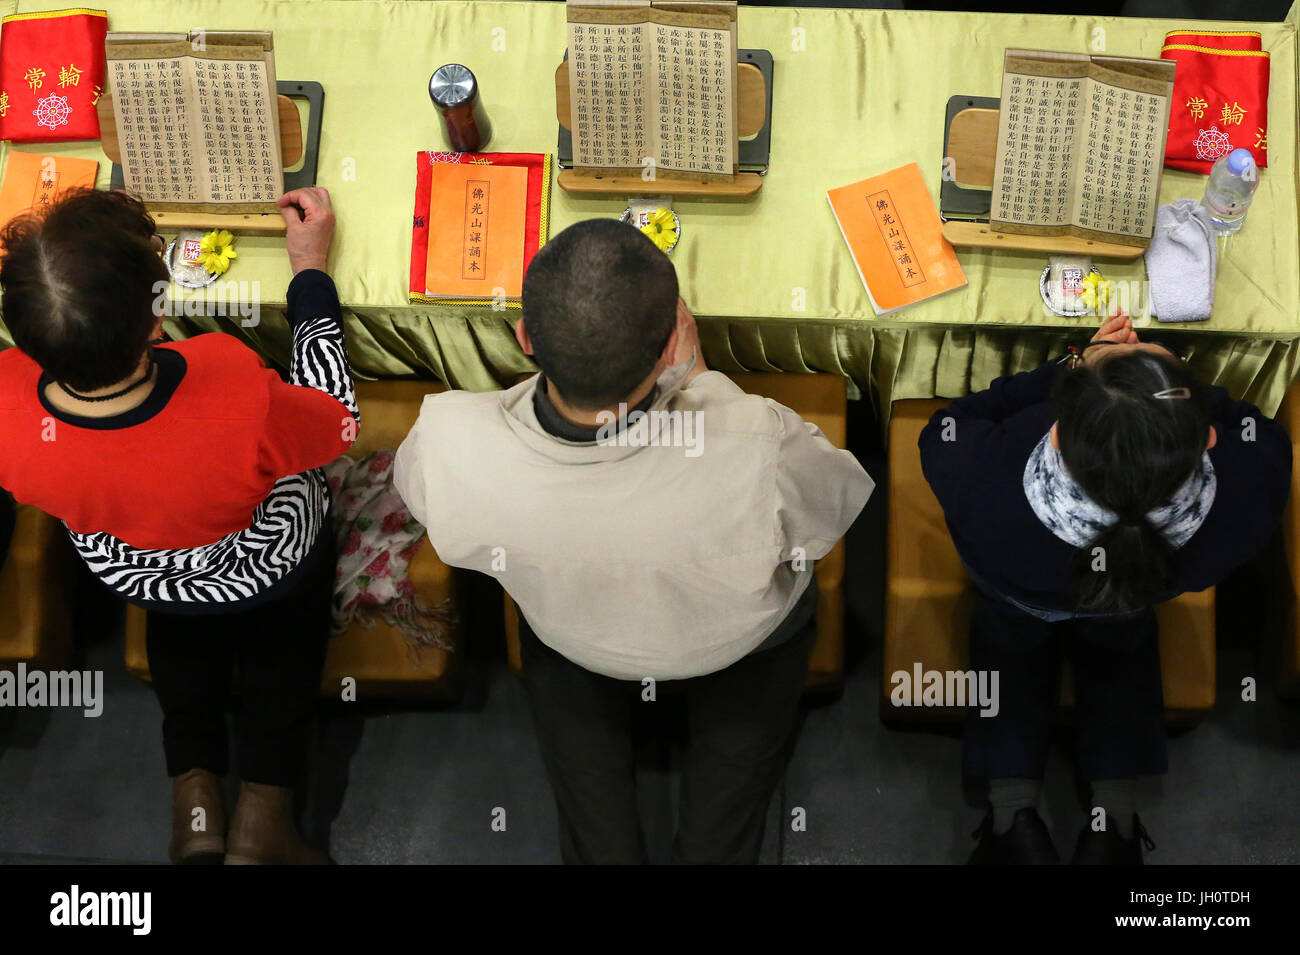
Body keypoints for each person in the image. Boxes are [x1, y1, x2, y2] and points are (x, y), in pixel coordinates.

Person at [395, 218, 873, 863]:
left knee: (593, 825)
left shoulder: (448, 440)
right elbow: (832, 511)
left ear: (525, 337)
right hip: (738, 647)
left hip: (574, 639)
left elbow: (446, 521)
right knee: (727, 816)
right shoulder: (756, 443)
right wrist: (703, 384)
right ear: (674, 341)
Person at [0, 186, 357, 864]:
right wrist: (310, 273)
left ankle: (195, 802)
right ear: (156, 323)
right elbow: (335, 421)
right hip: (263, 557)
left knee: (179, 625)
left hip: (137, 562)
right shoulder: (226, 380)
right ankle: (264, 815)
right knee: (285, 638)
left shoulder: (3, 401)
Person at [919, 313, 1291, 865]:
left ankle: (1010, 813)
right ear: (1206, 438)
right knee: (1122, 647)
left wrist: (1070, 367)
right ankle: (1113, 818)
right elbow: (1257, 428)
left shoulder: (984, 478)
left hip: (1017, 593)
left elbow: (951, 422)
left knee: (1006, 646)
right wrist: (1169, 383)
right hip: (1134, 597)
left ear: (1058, 432)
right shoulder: (1250, 489)